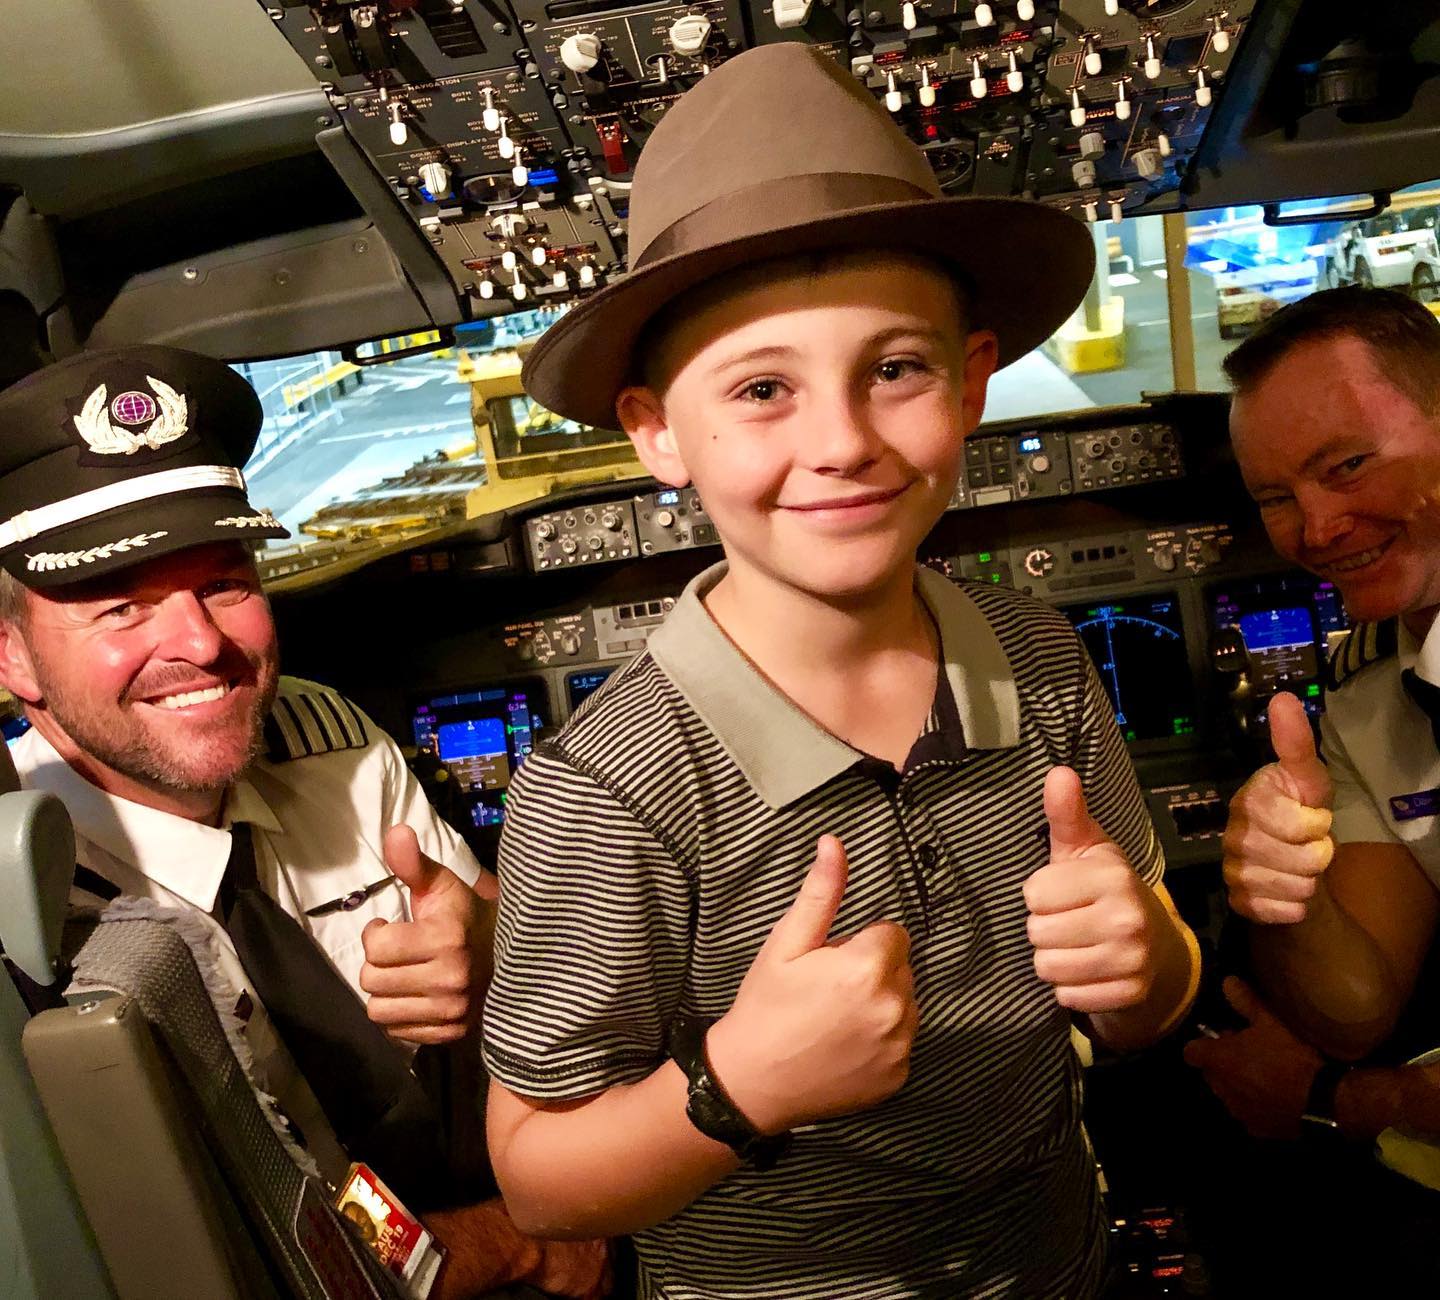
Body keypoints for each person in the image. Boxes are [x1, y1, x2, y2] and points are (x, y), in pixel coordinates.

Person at [481, 44, 1201, 1298]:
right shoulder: (602, 791)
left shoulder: (1040, 657)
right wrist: (738, 1086)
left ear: (973, 380)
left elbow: (1150, 975)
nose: (844, 443)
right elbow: (539, 1175)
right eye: (763, 389)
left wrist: (1150, 961)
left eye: (896, 369)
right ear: (657, 432)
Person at [0, 346, 608, 1300]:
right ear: (13, 657)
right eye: (121, 606)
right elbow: (249, 1251)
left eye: (225, 582)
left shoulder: (330, 742)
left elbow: (505, 937)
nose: (199, 644)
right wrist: (522, 1244)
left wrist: (489, 942)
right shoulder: (29, 926)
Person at [1183, 287, 1440, 1293]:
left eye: (1348, 463)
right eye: (1276, 495)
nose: (1318, 526)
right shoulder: (1377, 703)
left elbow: (1344, 1059)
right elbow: (1355, 1004)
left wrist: (1342, 1099)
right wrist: (1285, 888)